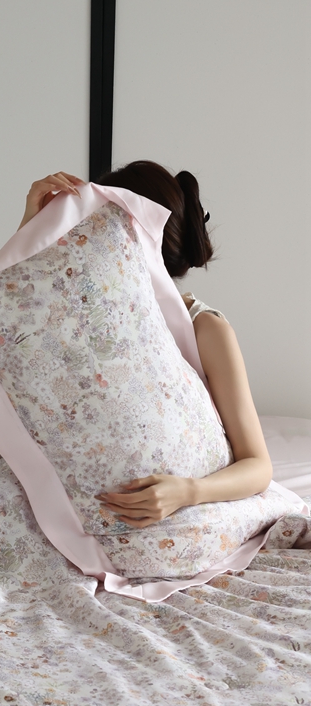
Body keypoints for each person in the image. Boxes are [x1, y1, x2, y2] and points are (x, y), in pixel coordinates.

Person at [17, 162, 272, 528]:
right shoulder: (90, 317)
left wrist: (187, 492)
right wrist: (33, 220)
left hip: (173, 505)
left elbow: (258, 465)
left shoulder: (206, 329)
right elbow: (19, 313)